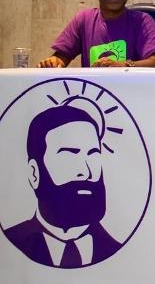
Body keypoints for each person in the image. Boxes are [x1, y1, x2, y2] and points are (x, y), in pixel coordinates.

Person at [4, 105, 122, 267]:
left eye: (93, 154)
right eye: (70, 155)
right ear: (34, 173)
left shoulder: (118, 251)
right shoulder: (9, 246)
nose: (86, 172)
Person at [37, 0, 155, 68]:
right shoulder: (84, 19)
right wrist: (54, 62)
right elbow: (61, 57)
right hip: (94, 97)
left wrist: (124, 65)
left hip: (131, 95)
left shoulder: (143, 21)